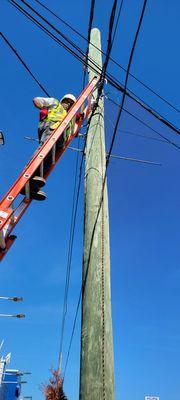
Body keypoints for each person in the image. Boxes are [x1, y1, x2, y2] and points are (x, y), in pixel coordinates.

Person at [22, 94, 77, 201]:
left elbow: (74, 129)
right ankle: (27, 173)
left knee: (49, 159)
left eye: (70, 103)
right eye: (66, 101)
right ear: (62, 100)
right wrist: (41, 106)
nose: (68, 104)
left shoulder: (69, 117)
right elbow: (37, 99)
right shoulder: (55, 103)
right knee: (44, 150)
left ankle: (33, 185)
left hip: (60, 138)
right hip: (51, 128)